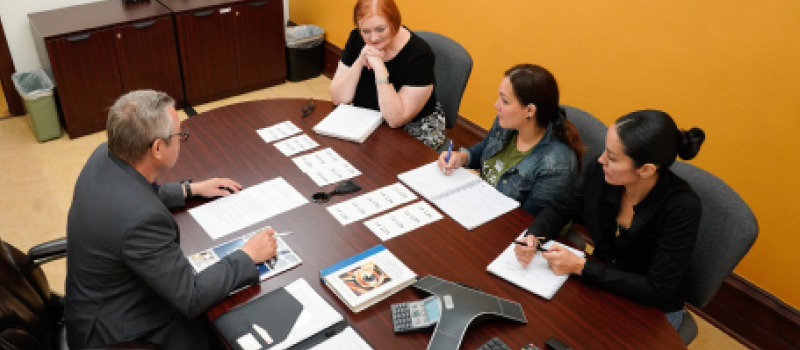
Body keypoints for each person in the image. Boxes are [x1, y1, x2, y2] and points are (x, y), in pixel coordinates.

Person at [65, 90, 278, 350]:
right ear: (157, 148)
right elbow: (192, 297)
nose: (182, 139)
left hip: (92, 305)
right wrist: (247, 255)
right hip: (121, 335)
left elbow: (134, 190)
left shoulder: (105, 155)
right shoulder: (141, 220)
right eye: (180, 135)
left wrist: (189, 190)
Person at [514, 109, 706, 330]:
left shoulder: (682, 207)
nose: (601, 159)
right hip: (601, 282)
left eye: (612, 158)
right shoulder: (601, 172)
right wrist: (533, 236)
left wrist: (581, 267)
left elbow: (658, 290)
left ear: (646, 170)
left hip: (651, 309)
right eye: (606, 150)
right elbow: (560, 208)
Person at [438, 64, 583, 216]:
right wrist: (462, 157)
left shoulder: (555, 166)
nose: (496, 105)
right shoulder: (507, 123)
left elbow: (525, 222)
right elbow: (485, 149)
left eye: (505, 101)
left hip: (507, 224)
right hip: (479, 205)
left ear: (530, 111)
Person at [329, 0, 445, 149]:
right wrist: (359, 62)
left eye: (380, 29)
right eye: (366, 31)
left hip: (414, 129)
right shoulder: (357, 40)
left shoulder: (419, 55)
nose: (373, 38)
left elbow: (395, 119)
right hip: (369, 120)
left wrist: (380, 70)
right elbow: (338, 98)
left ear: (394, 23)